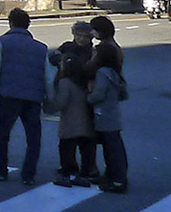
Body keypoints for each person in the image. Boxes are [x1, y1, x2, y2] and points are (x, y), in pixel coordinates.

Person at [0, 7, 48, 185]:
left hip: (9, 94)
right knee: (33, 137)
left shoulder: (3, 42)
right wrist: (48, 97)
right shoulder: (41, 47)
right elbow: (48, 76)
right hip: (33, 96)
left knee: (2, 135)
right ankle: (28, 174)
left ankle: (0, 170)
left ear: (10, 23)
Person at [50, 21, 98, 187]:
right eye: (79, 35)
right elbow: (53, 56)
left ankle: (84, 169)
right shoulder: (68, 46)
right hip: (69, 87)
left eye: (85, 36)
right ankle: (74, 167)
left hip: (82, 91)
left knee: (80, 137)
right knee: (80, 133)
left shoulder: (92, 53)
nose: (81, 39)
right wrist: (60, 59)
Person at [88, 41, 128, 193]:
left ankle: (117, 180)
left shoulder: (102, 73)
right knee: (114, 146)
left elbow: (98, 94)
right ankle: (115, 176)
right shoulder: (114, 72)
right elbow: (123, 94)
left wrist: (88, 98)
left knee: (111, 149)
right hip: (113, 113)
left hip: (103, 114)